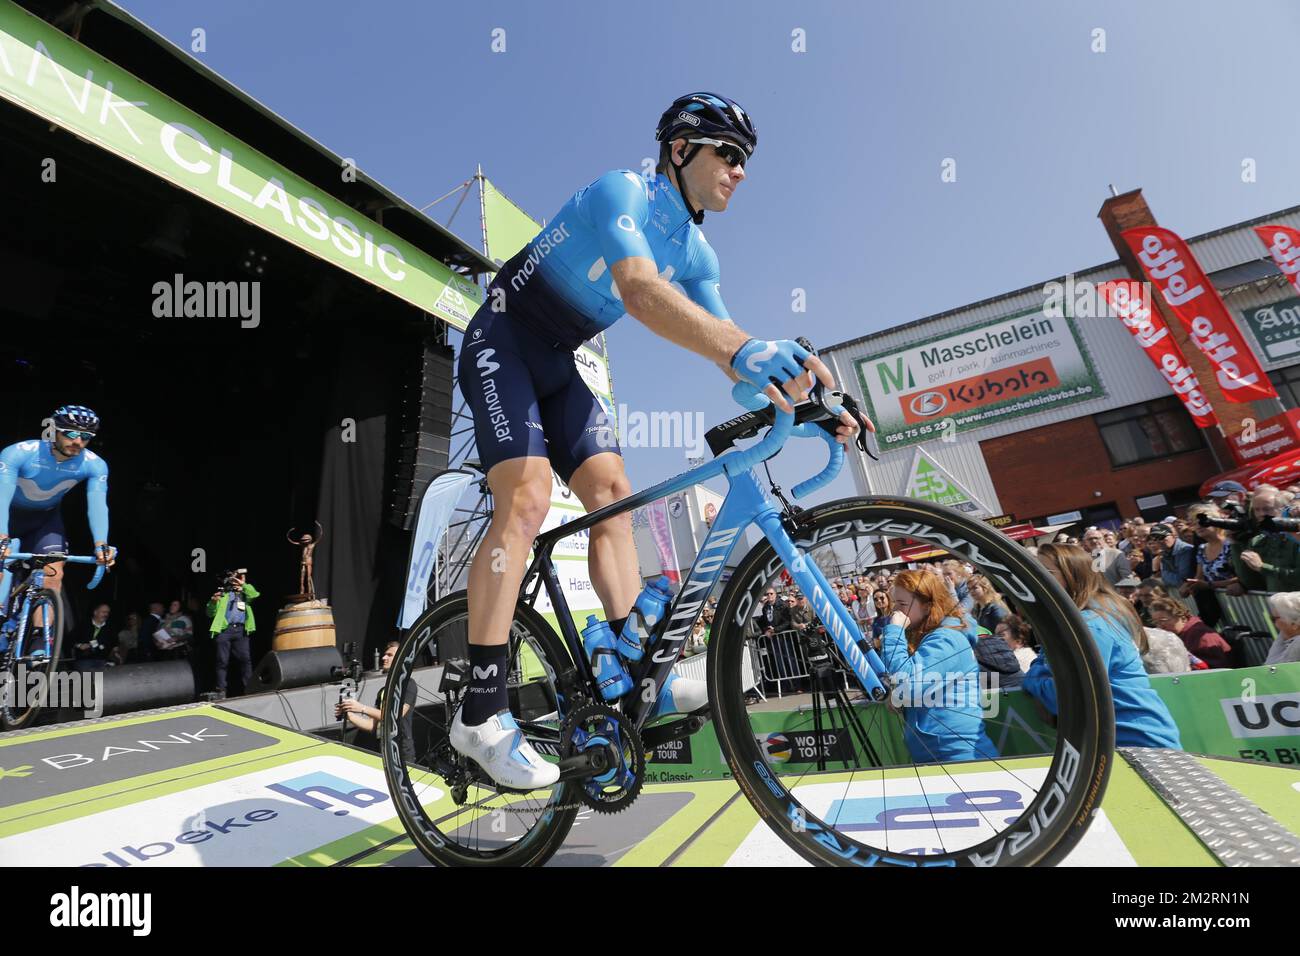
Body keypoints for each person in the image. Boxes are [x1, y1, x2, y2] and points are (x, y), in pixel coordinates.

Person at [449, 92, 880, 788]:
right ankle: (480, 709)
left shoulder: (698, 252)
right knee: (526, 498)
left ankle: (624, 674)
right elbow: (643, 294)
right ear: (680, 150)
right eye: (729, 155)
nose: (741, 171)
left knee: (615, 497)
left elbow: (733, 367)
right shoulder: (622, 191)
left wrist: (804, 398)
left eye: (747, 161)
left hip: (558, 362)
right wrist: (745, 351)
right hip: (501, 341)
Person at [1028, 543, 1182, 749]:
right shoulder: (1087, 620)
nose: (1036, 580)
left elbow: (1065, 696)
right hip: (1120, 738)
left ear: (1074, 576)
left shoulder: (1091, 626)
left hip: (1136, 741)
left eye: (1046, 573)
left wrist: (1032, 679)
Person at [0, 406, 115, 646]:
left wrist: (101, 544)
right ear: (53, 431)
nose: (78, 442)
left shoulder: (95, 465)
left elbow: (97, 505)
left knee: (54, 573)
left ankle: (40, 640)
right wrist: (1, 535)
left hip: (45, 520)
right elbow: (2, 497)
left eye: (86, 437)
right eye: (70, 434)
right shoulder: (18, 453)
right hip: (8, 514)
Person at [880, 569, 997, 763]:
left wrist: (894, 631)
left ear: (927, 606)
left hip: (958, 755)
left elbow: (907, 682)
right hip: (936, 753)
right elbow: (923, 686)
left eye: (902, 604)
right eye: (895, 604)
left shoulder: (946, 638)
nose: (896, 611)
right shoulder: (930, 636)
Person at [337, 640, 418, 762]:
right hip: (383, 751)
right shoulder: (383, 691)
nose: (384, 658)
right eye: (385, 654)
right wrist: (349, 714)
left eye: (390, 655)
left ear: (402, 659)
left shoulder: (408, 684)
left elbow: (395, 716)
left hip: (401, 753)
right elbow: (372, 725)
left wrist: (361, 708)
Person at [1231, 488, 1300, 594]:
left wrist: (1262, 567)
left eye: (1267, 509)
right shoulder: (1257, 541)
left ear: (1282, 509)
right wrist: (1234, 542)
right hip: (1278, 605)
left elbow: (1297, 577)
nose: (1261, 514)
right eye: (1256, 510)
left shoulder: (1295, 539)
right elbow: (1252, 583)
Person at [206, 569, 259, 699]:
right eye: (232, 581)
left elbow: (255, 594)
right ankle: (221, 690)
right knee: (222, 661)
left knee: (245, 659)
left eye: (236, 581)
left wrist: (243, 585)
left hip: (240, 630)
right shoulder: (222, 594)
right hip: (224, 631)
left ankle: (249, 687)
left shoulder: (244, 593)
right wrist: (213, 602)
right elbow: (210, 613)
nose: (234, 583)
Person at [1145, 596, 1233, 669]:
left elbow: (1219, 668)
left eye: (1163, 620)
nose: (1160, 626)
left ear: (1181, 617)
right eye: (1156, 622)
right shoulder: (1177, 635)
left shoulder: (1201, 636)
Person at [1148, 523, 1197, 592]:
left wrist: (1163, 574)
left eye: (1162, 537)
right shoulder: (1164, 553)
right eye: (1155, 539)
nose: (1159, 541)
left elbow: (1182, 580)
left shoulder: (1185, 550)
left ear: (1173, 535)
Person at [73, 602, 115, 671]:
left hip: (101, 660)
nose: (106, 614)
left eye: (107, 612)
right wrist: (79, 645)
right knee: (87, 679)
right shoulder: (84, 624)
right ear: (95, 612)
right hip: (84, 660)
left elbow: (112, 642)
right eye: (103, 612)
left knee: (100, 680)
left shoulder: (110, 627)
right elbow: (69, 639)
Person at [1264, 592, 1300, 664]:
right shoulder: (1289, 637)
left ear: (1294, 624)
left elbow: (1272, 669)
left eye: (1273, 619)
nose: (1273, 623)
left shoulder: (1297, 644)